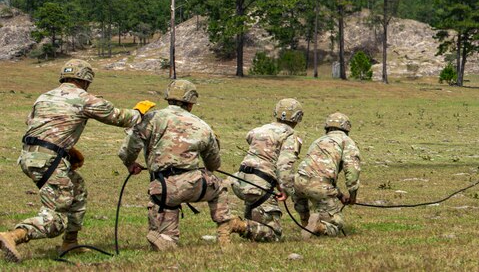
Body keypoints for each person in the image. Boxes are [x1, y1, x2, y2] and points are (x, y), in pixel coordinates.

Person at [0, 59, 154, 263]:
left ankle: (70, 243)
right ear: (86, 80)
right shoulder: (84, 98)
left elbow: (34, 123)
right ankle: (13, 236)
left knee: (77, 188)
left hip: (30, 156)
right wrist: (139, 112)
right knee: (56, 218)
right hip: (49, 161)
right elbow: (119, 117)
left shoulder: (43, 97)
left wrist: (62, 148)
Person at [118, 79, 246, 251]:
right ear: (191, 103)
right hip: (193, 184)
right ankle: (224, 226)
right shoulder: (202, 125)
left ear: (168, 98)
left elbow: (129, 147)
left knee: (168, 231)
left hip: (162, 189)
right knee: (220, 186)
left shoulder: (151, 118)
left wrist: (130, 163)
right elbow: (213, 164)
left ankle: (164, 238)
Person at [231, 98, 303, 242]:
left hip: (240, 181)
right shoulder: (290, 136)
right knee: (274, 235)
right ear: (298, 117)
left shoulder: (259, 129)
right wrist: (286, 189)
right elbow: (284, 167)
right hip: (260, 187)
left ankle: (248, 222)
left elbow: (249, 137)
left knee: (258, 225)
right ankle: (236, 225)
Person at [293, 112, 361, 238]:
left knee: (305, 209)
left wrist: (340, 195)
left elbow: (317, 170)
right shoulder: (347, 142)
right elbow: (352, 172)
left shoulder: (318, 141)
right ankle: (318, 227)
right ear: (347, 128)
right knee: (336, 224)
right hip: (320, 186)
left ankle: (306, 224)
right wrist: (353, 195)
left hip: (298, 182)